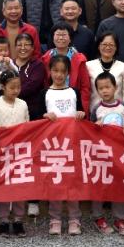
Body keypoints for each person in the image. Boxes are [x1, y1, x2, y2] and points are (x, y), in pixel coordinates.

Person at [43, 55, 85, 236]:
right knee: (56, 181)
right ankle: (55, 218)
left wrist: (81, 114)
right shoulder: (45, 93)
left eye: (63, 71)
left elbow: (82, 112)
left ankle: (75, 218)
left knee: (73, 181)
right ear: (50, 71)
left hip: (72, 143)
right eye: (55, 71)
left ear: (68, 73)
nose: (59, 75)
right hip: (53, 146)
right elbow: (38, 117)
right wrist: (45, 116)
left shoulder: (74, 92)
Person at [89, 71, 124, 236]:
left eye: (108, 87)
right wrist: (95, 125)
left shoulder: (123, 107)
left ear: (115, 87)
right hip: (102, 155)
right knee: (99, 185)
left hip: (120, 154)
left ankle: (120, 219)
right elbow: (88, 130)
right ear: (97, 91)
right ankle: (98, 218)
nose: (105, 91)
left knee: (120, 186)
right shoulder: (97, 108)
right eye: (101, 88)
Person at [0, 71, 29, 238]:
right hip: (2, 151)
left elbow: (28, 125)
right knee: (4, 185)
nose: (15, 90)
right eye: (12, 87)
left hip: (20, 151)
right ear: (3, 87)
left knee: (20, 184)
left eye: (18, 87)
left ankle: (19, 219)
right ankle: (4, 219)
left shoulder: (23, 104)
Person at [42, 22, 92, 115]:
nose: (61, 38)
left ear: (70, 38)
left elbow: (85, 87)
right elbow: (44, 84)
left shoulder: (79, 59)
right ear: (52, 38)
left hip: (74, 105)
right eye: (58, 35)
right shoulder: (45, 58)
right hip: (51, 104)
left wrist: (82, 110)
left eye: (64, 35)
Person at [12, 33, 46, 123]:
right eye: (19, 45)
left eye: (26, 44)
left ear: (32, 48)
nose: (23, 48)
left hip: (32, 111)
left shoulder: (38, 65)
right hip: (10, 109)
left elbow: (31, 86)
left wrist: (11, 92)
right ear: (15, 47)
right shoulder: (9, 64)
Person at [86, 32, 124, 103]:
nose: (108, 47)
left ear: (116, 48)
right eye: (104, 44)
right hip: (95, 108)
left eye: (111, 45)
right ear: (98, 46)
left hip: (118, 108)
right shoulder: (88, 66)